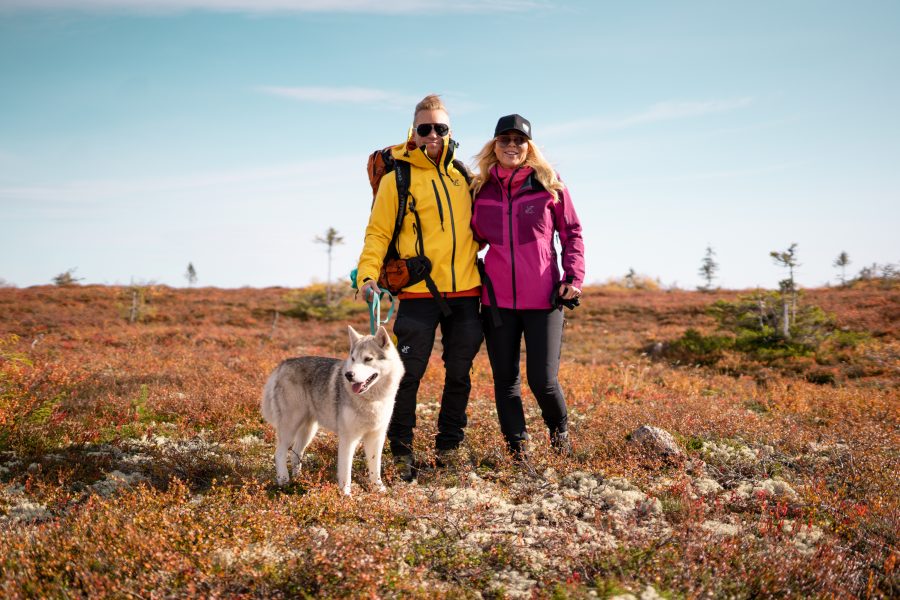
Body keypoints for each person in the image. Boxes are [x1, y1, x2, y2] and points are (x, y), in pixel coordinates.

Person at [356, 94, 483, 481]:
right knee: (405, 376)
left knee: (460, 375)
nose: (432, 135)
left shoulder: (462, 176)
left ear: (449, 132)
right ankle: (400, 452)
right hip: (417, 295)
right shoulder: (400, 179)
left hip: (466, 295)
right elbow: (377, 232)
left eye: (440, 128)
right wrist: (366, 275)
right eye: (424, 128)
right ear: (413, 132)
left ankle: (449, 448)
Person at [470, 114, 585, 460]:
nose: (511, 146)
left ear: (528, 146)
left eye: (519, 140)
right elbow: (469, 240)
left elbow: (572, 233)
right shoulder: (480, 189)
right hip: (496, 302)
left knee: (543, 380)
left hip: (544, 299)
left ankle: (559, 433)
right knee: (505, 382)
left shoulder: (547, 183)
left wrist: (573, 278)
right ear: (494, 145)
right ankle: (518, 452)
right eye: (504, 140)